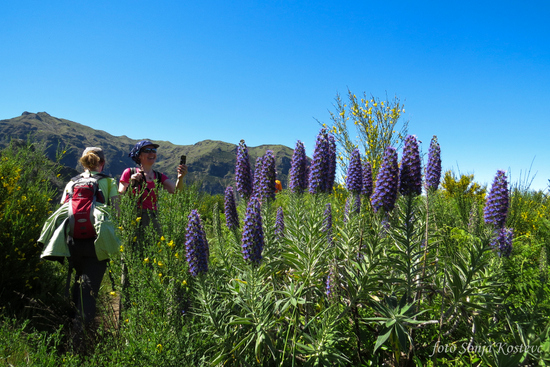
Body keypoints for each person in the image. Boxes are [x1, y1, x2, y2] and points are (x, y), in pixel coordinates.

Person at [40, 147, 119, 347]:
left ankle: (67, 329)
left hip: (72, 242)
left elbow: (64, 209)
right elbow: (117, 212)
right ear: (103, 162)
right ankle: (80, 344)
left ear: (83, 162)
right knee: (90, 290)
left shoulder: (72, 182)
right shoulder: (108, 181)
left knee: (77, 282)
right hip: (96, 243)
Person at [118, 140, 188, 235]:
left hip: (152, 218)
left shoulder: (159, 176)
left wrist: (180, 178)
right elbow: (121, 194)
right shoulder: (129, 172)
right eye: (147, 150)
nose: (152, 153)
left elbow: (177, 192)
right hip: (132, 217)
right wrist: (132, 183)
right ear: (139, 155)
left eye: (154, 150)